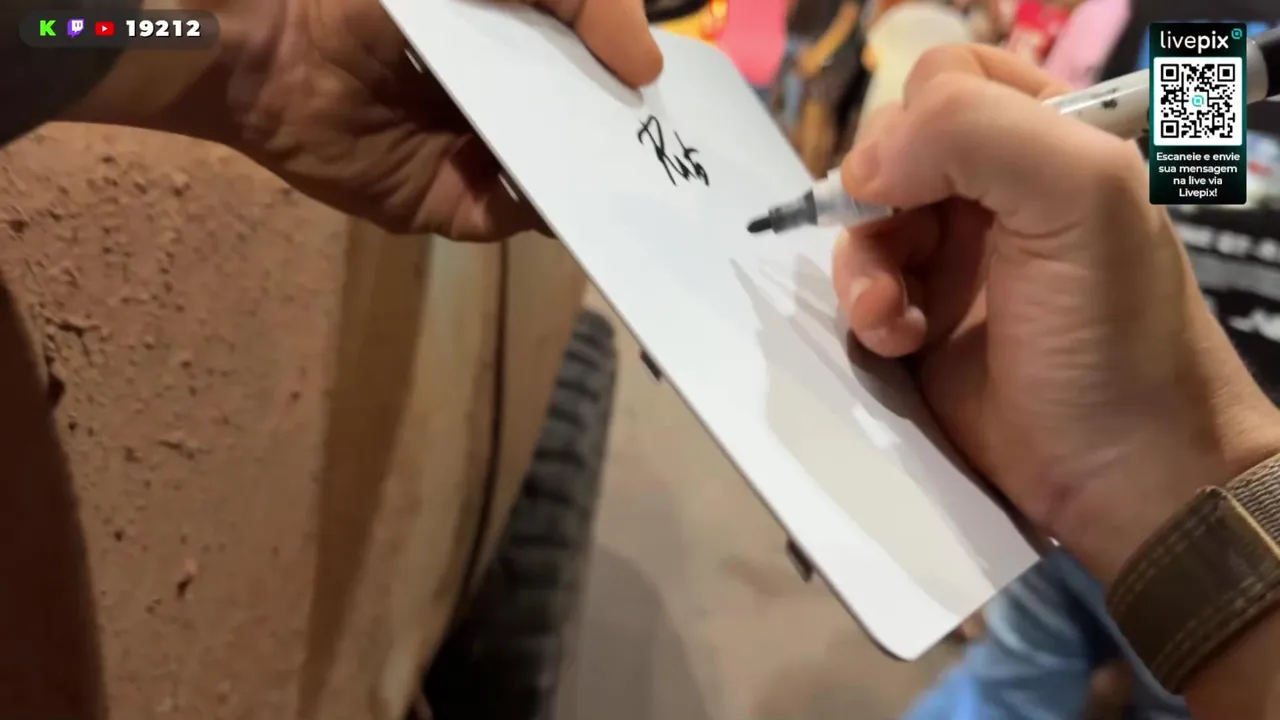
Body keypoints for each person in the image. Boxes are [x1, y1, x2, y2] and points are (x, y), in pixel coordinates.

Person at [9, 3, 1280, 717]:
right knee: (1013, 682)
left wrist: (1180, 467)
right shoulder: (1213, 32)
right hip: (1146, 504)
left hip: (1166, 513)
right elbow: (1199, 197)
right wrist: (243, 42)